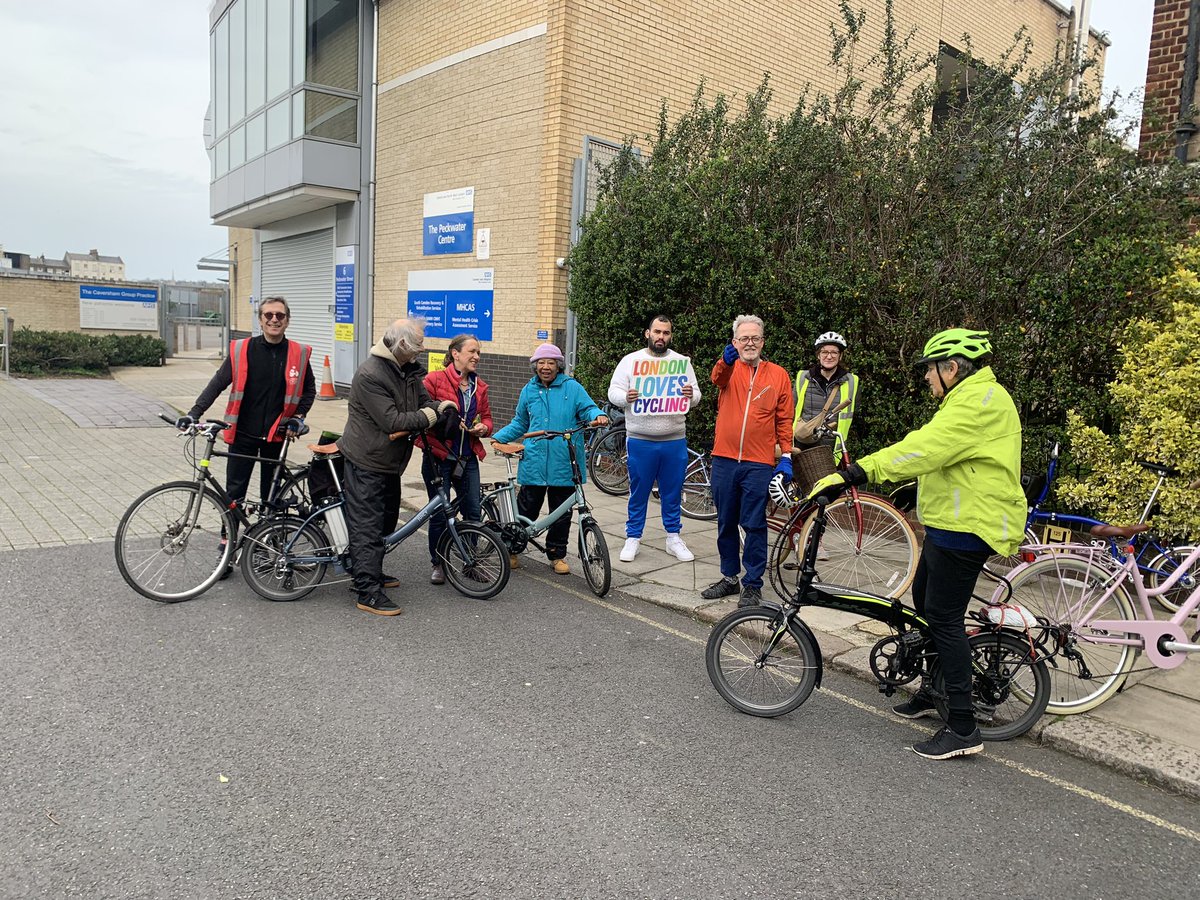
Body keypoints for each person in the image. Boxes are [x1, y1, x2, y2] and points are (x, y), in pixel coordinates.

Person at [806, 328, 1024, 760]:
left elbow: (925, 448)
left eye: (929, 369)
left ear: (951, 367)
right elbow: (952, 459)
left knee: (944, 619)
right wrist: (915, 489)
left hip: (969, 527)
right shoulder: (968, 397)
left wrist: (855, 473)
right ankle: (933, 690)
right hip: (950, 524)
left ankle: (962, 727)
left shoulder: (979, 402)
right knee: (925, 605)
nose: (925, 377)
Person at [178, 295, 315, 569]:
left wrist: (298, 417)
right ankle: (227, 547)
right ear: (260, 320)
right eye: (268, 315)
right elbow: (217, 383)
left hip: (277, 436)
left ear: (287, 320)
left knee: (270, 498)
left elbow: (309, 390)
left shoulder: (298, 354)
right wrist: (194, 413)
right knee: (234, 496)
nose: (274, 320)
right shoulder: (242, 350)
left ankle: (266, 546)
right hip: (242, 435)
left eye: (280, 315)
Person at [339, 317, 452, 616]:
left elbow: (426, 402)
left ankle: (370, 572)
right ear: (402, 344)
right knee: (368, 527)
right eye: (418, 343)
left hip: (388, 462)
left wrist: (443, 407)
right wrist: (431, 416)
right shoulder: (371, 374)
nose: (422, 348)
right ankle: (367, 591)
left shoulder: (408, 370)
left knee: (386, 522)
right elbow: (392, 421)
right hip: (367, 460)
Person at [700, 315, 794, 606]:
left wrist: (786, 456)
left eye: (755, 338)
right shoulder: (728, 370)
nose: (750, 343)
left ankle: (752, 584)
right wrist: (725, 361)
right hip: (724, 459)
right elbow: (716, 379)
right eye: (744, 338)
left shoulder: (778, 375)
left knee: (754, 524)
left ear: (762, 342)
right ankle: (729, 578)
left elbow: (784, 419)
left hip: (758, 462)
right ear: (735, 342)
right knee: (726, 521)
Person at [491, 344, 608, 575]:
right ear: (535, 366)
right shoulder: (529, 390)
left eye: (550, 363)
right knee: (526, 509)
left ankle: (557, 555)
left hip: (564, 461)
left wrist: (599, 415)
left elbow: (588, 409)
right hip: (534, 460)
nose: (545, 367)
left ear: (558, 366)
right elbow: (520, 422)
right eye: (541, 363)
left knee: (561, 514)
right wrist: (498, 437)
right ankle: (512, 549)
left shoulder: (572, 387)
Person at [606, 314, 701, 563]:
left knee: (672, 491)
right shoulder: (631, 361)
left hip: (674, 439)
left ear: (671, 336)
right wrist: (626, 397)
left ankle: (673, 537)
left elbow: (696, 395)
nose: (661, 337)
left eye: (666, 333)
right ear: (647, 334)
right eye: (657, 332)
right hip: (640, 439)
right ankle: (633, 537)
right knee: (639, 491)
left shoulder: (681, 363)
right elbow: (613, 391)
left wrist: (690, 395)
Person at [416, 334, 492, 585]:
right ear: (455, 353)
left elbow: (487, 418)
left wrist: (484, 428)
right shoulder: (434, 380)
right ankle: (438, 563)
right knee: (440, 513)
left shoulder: (480, 386)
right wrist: (444, 418)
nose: (476, 356)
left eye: (478, 352)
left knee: (473, 511)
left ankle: (470, 563)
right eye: (472, 351)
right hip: (439, 457)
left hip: (467, 458)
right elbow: (421, 412)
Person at [793, 331, 858, 451]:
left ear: (840, 356)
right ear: (818, 355)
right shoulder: (803, 378)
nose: (829, 356)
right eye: (824, 352)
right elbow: (791, 410)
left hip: (833, 447)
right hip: (804, 444)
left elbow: (854, 411)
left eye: (834, 352)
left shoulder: (851, 381)